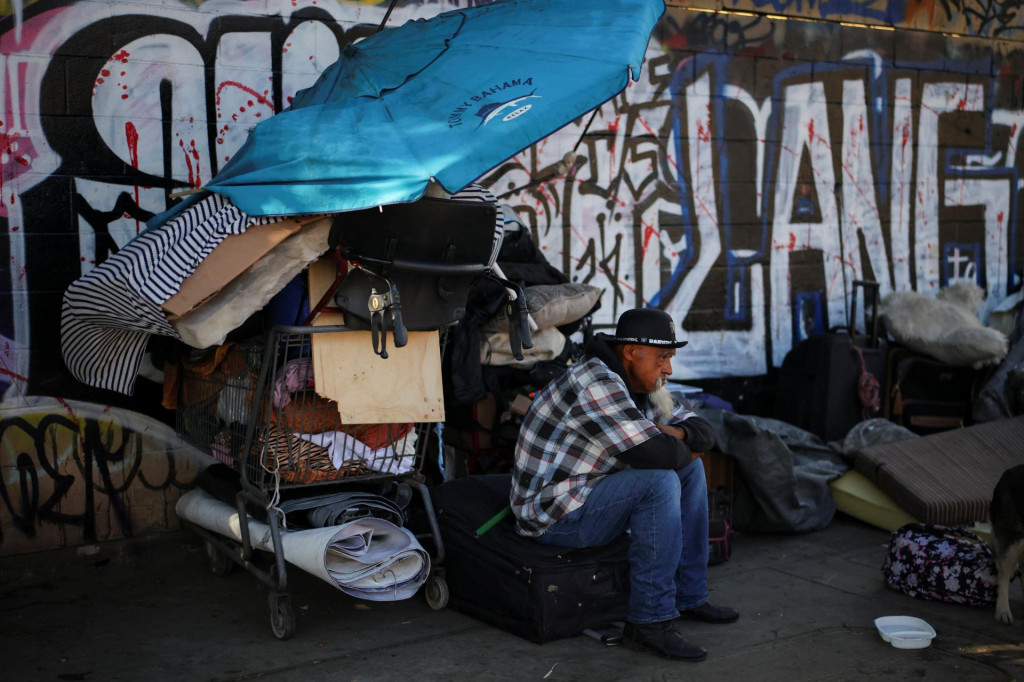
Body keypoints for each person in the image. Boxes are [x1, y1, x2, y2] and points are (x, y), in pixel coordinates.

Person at [510, 307, 738, 662]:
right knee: (661, 481)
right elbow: (662, 457)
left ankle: (690, 596)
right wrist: (676, 447)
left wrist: (676, 434)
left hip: (592, 492)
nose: (669, 369)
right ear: (631, 351)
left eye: (671, 358)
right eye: (663, 357)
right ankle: (649, 621)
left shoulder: (640, 383)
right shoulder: (596, 382)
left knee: (690, 471)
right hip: (554, 515)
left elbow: (704, 433)